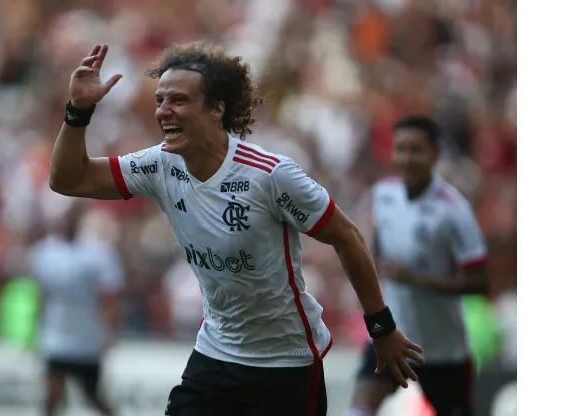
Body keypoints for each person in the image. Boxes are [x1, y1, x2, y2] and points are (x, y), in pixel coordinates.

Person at [48, 42, 424, 416]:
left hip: (286, 361)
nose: (164, 111)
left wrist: (381, 327)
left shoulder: (269, 175)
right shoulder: (159, 165)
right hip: (216, 353)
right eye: (160, 100)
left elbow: (347, 237)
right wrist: (79, 110)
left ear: (216, 109)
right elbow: (68, 179)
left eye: (178, 100)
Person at [345, 115, 488, 416]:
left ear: (435, 154)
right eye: (400, 149)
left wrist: (415, 279)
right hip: (392, 335)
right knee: (359, 408)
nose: (406, 158)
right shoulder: (384, 194)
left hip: (440, 349)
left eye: (415, 150)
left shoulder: (454, 210)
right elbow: (380, 248)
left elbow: (479, 283)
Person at [27, 204, 123, 416]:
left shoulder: (96, 254)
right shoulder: (45, 253)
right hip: (56, 333)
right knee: (53, 389)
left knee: (91, 393)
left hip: (86, 334)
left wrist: (110, 329)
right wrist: (35, 327)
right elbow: (41, 294)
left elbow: (108, 296)